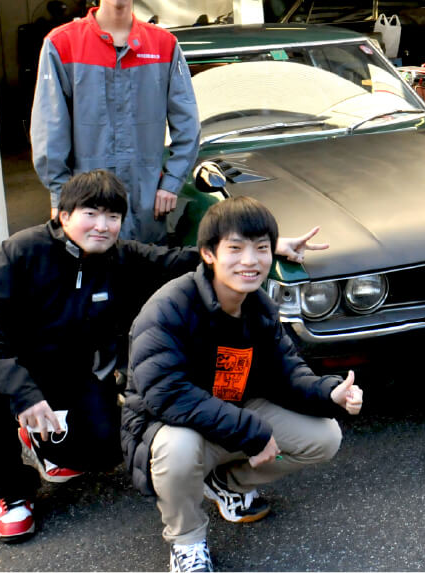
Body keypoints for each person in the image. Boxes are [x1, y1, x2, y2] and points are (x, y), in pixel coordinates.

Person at [0, 170, 326, 545]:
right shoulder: (21, 252)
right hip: (7, 369)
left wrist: (262, 249)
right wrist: (23, 394)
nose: (102, 226)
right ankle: (14, 492)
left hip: (69, 374)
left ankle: (46, 440)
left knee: (105, 448)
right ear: (64, 216)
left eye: (113, 217)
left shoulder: (121, 258)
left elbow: (183, 260)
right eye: (90, 214)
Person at [123, 197, 363, 572]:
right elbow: (165, 393)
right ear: (208, 254)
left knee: (325, 437)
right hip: (169, 424)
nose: (250, 261)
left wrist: (329, 391)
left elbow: (286, 372)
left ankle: (226, 483)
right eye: (235, 249)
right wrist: (250, 431)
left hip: (232, 411)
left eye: (261, 248)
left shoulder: (259, 306)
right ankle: (187, 542)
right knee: (178, 449)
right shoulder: (169, 307)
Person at [30, 0, 200, 244]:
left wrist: (172, 181)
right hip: (86, 205)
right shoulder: (62, 45)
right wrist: (60, 195)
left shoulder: (164, 46)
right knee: (91, 273)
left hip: (148, 203)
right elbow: (49, 130)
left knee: (147, 270)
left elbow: (187, 123)